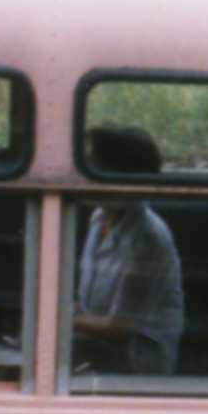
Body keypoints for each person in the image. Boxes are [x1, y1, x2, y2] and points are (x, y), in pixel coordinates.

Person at [73, 126, 184, 377]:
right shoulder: (99, 217)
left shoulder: (148, 237)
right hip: (96, 340)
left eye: (95, 169)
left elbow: (120, 327)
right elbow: (88, 303)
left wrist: (61, 321)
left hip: (137, 357)